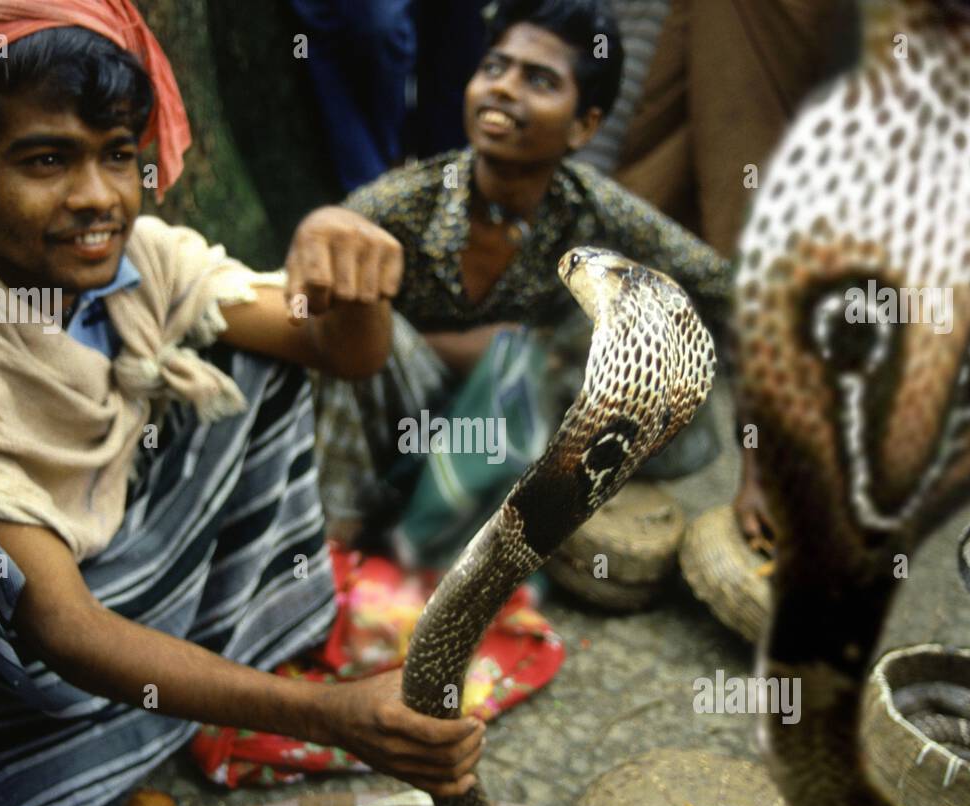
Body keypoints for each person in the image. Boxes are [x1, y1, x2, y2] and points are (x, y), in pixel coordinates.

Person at [0, 0, 483, 806]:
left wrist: (342, 269)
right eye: (46, 160)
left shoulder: (134, 263)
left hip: (59, 579)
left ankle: (147, 719)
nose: (96, 198)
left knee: (245, 367)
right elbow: (62, 627)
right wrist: (332, 716)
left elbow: (331, 350)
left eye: (118, 154)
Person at [299, 0, 732, 551]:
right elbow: (308, 315)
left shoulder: (595, 209)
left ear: (583, 127)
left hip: (501, 433)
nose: (503, 88)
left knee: (626, 337)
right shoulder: (400, 204)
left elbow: (727, 290)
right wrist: (464, 348)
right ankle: (338, 540)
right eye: (494, 68)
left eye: (540, 80)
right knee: (355, 321)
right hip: (391, 426)